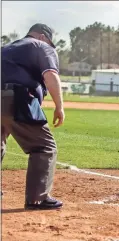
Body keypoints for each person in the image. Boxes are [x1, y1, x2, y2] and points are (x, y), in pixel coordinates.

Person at [1, 23, 65, 209]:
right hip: (17, 98)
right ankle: (37, 198)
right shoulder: (40, 46)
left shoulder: (5, 49)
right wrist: (59, 106)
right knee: (43, 147)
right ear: (43, 37)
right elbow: (51, 75)